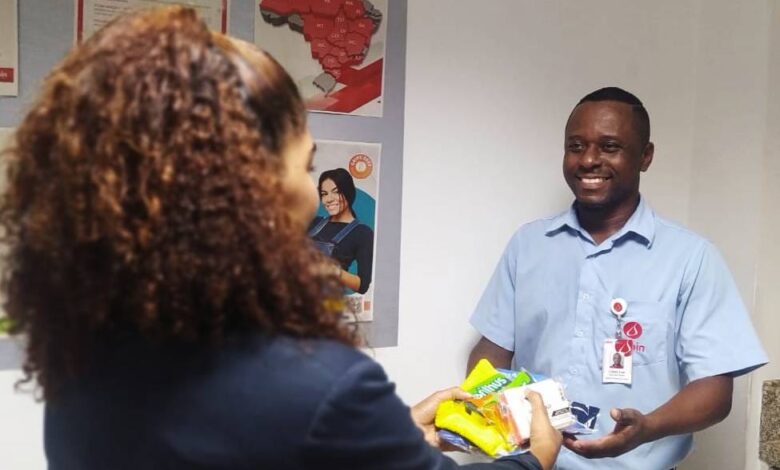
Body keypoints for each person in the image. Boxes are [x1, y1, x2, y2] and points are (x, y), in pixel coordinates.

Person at [0, 7, 562, 470]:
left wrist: (389, 436)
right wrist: (533, 459)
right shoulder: (319, 388)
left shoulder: (84, 358)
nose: (313, 197)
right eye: (304, 167)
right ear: (247, 187)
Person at [467, 87, 768, 469]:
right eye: (576, 146)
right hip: (531, 464)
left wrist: (647, 427)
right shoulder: (528, 245)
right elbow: (490, 353)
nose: (589, 160)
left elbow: (714, 391)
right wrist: (491, 415)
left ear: (645, 156)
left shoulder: (691, 258)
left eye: (609, 147)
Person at [308, 168, 374, 294]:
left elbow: (363, 286)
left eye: (336, 192)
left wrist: (334, 271)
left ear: (348, 192)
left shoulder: (362, 233)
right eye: (324, 194)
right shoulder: (314, 222)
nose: (329, 199)